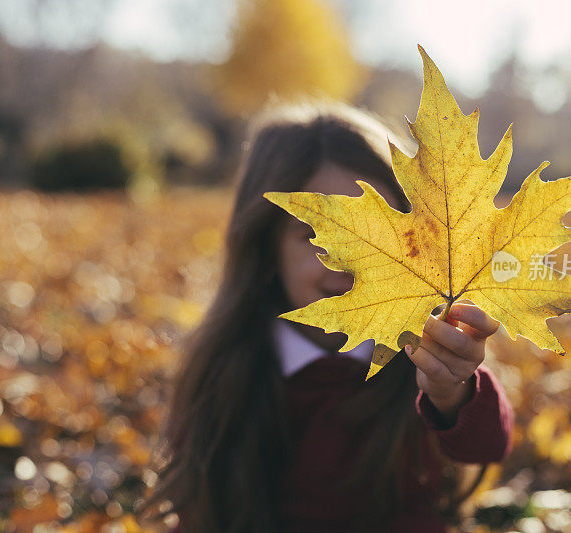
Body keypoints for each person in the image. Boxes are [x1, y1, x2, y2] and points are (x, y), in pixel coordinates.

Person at [145, 100, 514, 532]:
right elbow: (200, 505)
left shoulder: (422, 359)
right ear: (266, 246)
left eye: (372, 238)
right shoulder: (226, 367)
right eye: (316, 236)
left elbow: (487, 444)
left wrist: (452, 394)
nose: (345, 263)